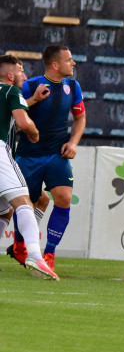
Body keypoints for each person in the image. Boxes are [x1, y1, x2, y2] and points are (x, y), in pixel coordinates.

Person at [9, 44, 85, 273]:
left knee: (63, 197)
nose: (73, 63)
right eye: (69, 60)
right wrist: (32, 99)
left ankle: (49, 254)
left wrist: (73, 143)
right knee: (25, 204)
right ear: (55, 64)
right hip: (28, 156)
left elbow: (80, 118)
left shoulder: (73, 86)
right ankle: (20, 246)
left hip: (57, 155)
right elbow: (14, 115)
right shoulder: (29, 85)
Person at [0, 55, 59, 279]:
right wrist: (34, 133)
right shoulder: (11, 92)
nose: (24, 75)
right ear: (9, 75)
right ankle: (34, 254)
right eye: (20, 70)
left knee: (4, 209)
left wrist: (31, 100)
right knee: (24, 200)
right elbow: (23, 122)